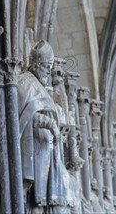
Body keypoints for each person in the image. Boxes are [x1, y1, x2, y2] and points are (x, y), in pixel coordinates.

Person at [18, 40, 73, 212]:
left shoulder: (39, 85)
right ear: (35, 64)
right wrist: (50, 124)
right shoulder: (24, 83)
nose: (48, 72)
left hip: (46, 153)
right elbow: (23, 118)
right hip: (32, 151)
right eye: (45, 67)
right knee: (32, 203)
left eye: (49, 68)